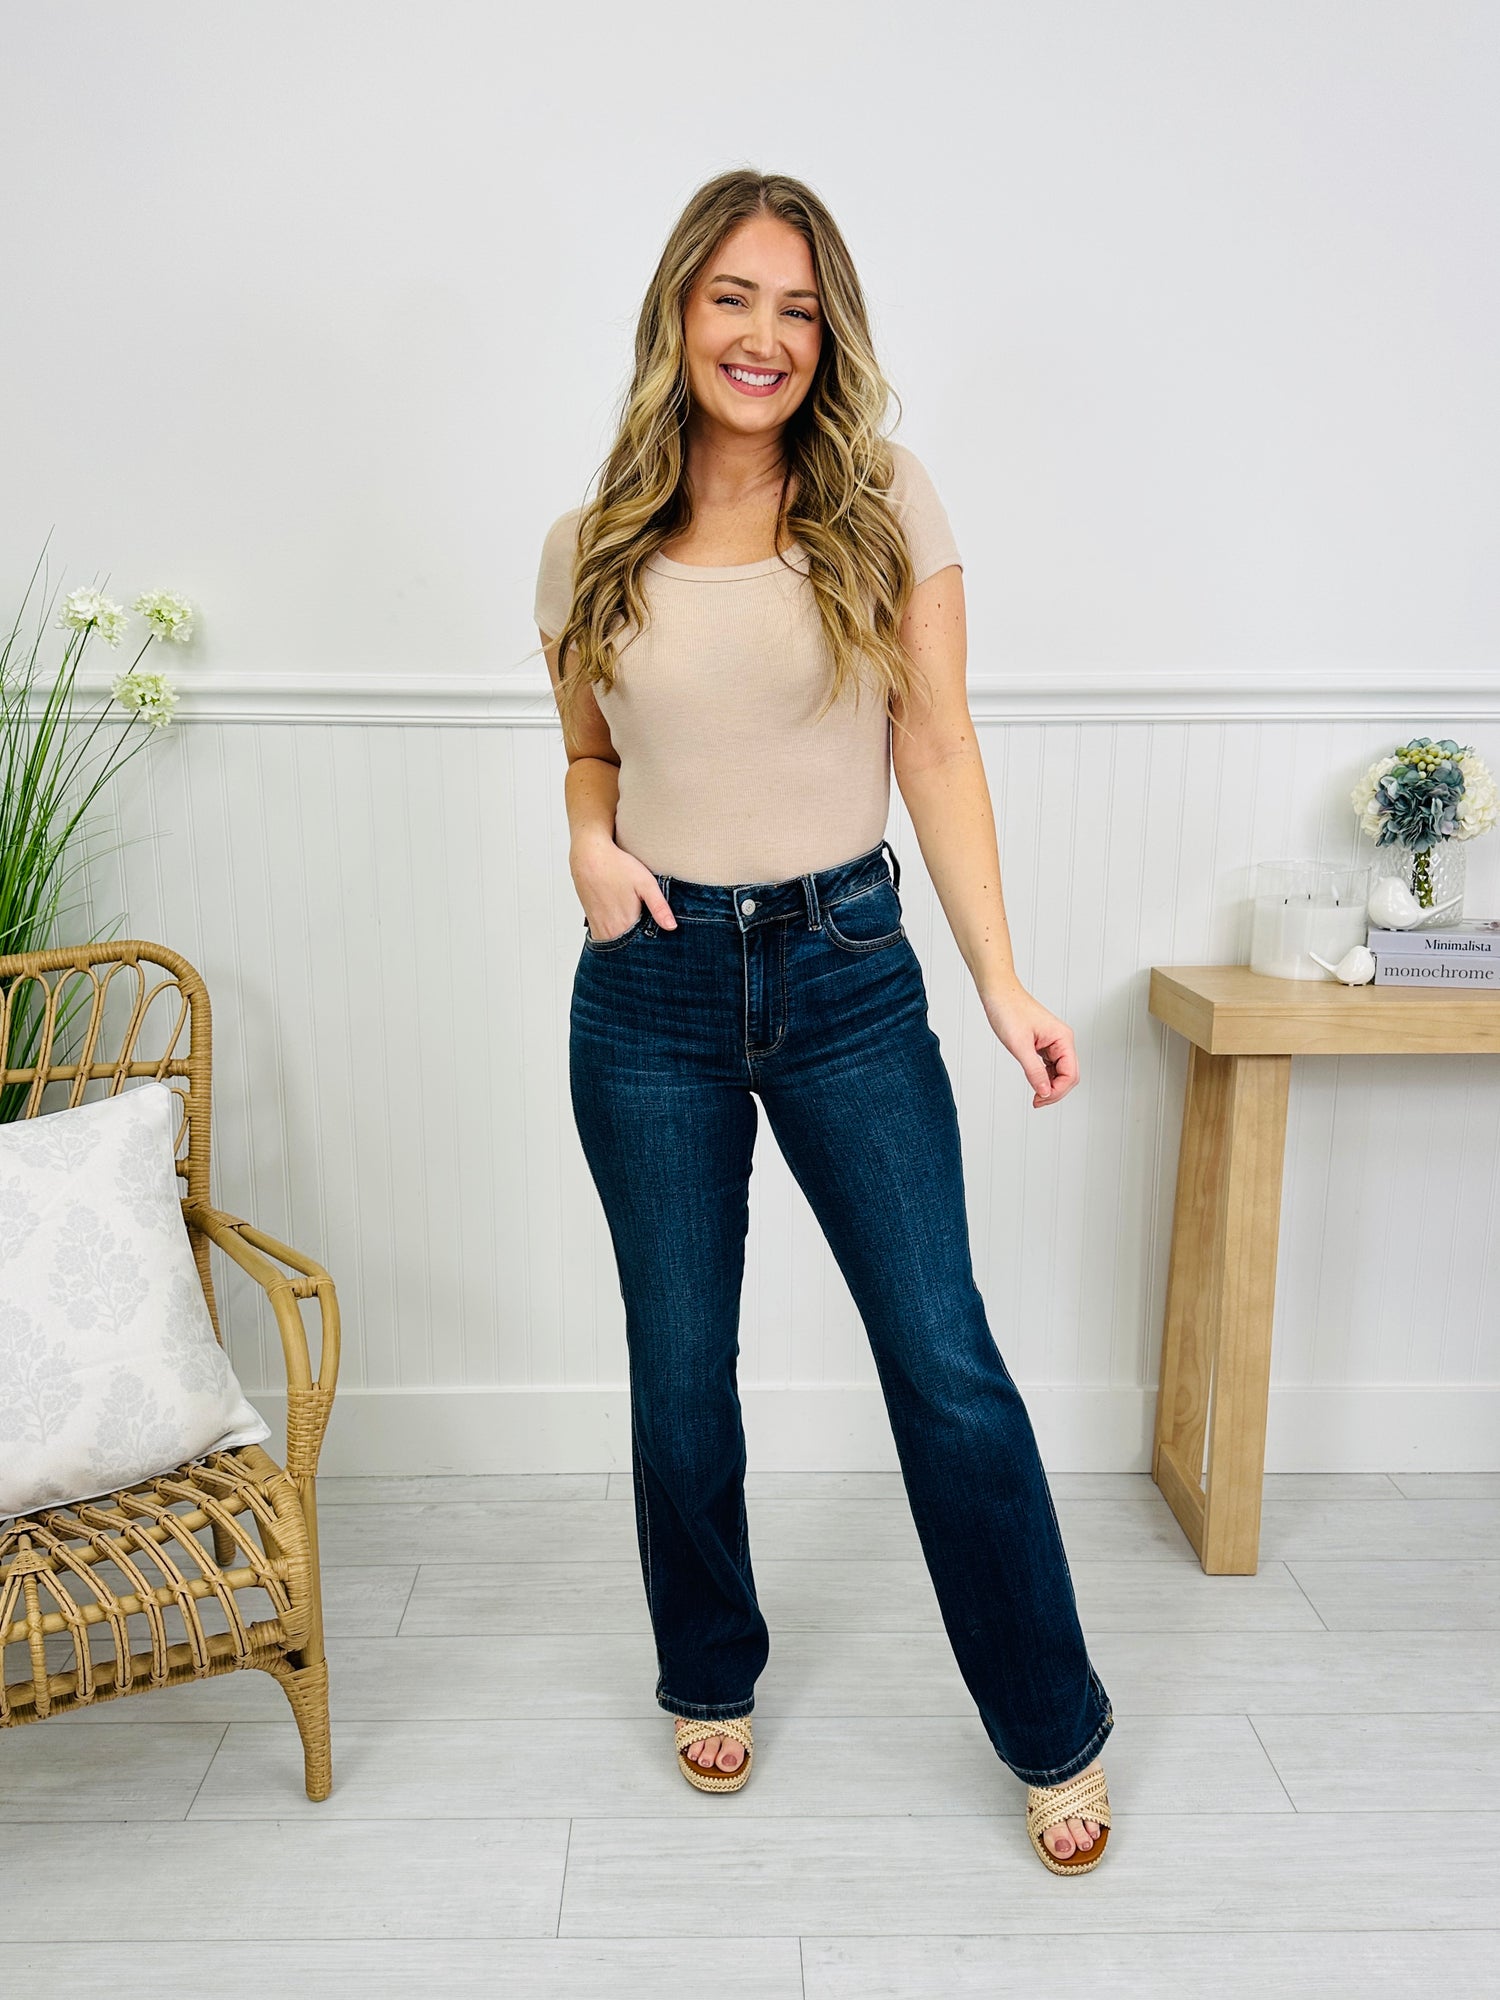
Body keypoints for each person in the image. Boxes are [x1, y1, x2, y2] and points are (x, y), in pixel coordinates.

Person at [533, 168, 1114, 1874]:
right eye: (734, 297)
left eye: (797, 308)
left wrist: (999, 977)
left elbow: (936, 742)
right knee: (678, 1374)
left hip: (847, 967)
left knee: (943, 1361)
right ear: (678, 311)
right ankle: (708, 1667)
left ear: (828, 334)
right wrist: (587, 846)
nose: (764, 337)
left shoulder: (882, 502)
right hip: (649, 989)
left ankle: (1052, 1727)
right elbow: (590, 756)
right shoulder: (586, 543)